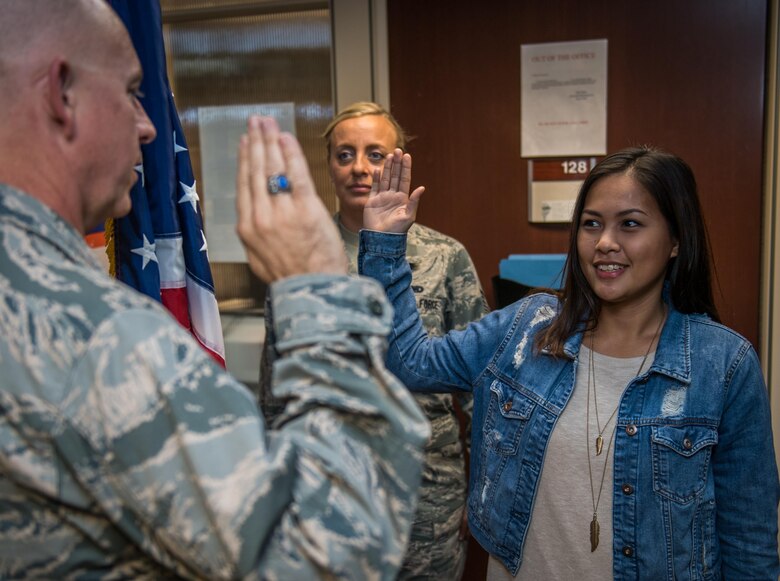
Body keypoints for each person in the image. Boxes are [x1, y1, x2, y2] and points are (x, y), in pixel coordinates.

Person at [0, 1, 429, 579]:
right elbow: (330, 552)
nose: (149, 124)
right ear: (62, 93)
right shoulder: (99, 338)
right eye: (131, 92)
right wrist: (320, 288)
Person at [356, 146, 780, 579]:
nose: (605, 243)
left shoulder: (723, 364)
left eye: (630, 224)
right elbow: (405, 361)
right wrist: (385, 245)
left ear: (675, 240)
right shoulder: (525, 328)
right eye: (591, 224)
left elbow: (749, 543)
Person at [259, 102, 488, 580]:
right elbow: (276, 389)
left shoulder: (444, 256)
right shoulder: (300, 258)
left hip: (428, 495)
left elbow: (483, 388)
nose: (360, 168)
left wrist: (483, 487)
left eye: (375, 154)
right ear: (329, 165)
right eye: (345, 155)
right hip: (326, 489)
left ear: (398, 162)